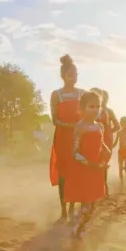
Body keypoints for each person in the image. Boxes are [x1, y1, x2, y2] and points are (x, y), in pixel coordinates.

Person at [63, 91, 111, 239]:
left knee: (94, 202)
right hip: (84, 170)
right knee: (86, 203)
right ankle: (77, 228)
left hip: (96, 168)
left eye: (98, 106)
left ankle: (81, 227)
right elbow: (75, 152)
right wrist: (89, 164)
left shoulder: (100, 127)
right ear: (82, 108)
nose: (96, 109)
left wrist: (106, 152)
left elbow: (101, 144)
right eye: (91, 106)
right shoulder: (80, 126)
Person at [49, 54, 84, 222]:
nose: (74, 78)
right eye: (71, 74)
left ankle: (72, 206)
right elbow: (54, 119)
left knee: (76, 173)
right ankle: (63, 207)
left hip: (79, 138)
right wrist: (70, 126)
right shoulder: (56, 94)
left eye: (76, 75)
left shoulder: (82, 94)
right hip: (63, 137)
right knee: (63, 174)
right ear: (63, 76)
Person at [92, 88, 120, 196]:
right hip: (93, 138)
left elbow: (118, 126)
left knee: (103, 163)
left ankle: (104, 186)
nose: (103, 99)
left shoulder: (109, 111)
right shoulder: (92, 109)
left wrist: (107, 132)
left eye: (105, 97)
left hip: (106, 139)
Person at [112, 116, 126, 187]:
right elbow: (115, 142)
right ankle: (121, 183)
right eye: (122, 124)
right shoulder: (119, 132)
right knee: (120, 167)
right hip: (121, 151)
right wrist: (110, 147)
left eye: (125, 124)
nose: (124, 126)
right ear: (121, 124)